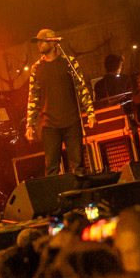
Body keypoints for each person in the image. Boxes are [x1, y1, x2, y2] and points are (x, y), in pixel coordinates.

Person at [26, 29, 95, 176]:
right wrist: (30, 125)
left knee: (79, 165)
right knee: (52, 168)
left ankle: (81, 194)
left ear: (52, 42)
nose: (38, 44)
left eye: (41, 41)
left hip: (71, 121)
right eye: (37, 41)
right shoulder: (36, 68)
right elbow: (33, 98)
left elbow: (81, 87)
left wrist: (90, 113)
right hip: (49, 125)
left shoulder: (69, 62)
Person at [92, 53, 140, 159]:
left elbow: (98, 103)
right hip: (126, 122)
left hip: (105, 127)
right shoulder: (125, 79)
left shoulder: (98, 85)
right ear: (118, 67)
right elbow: (132, 97)